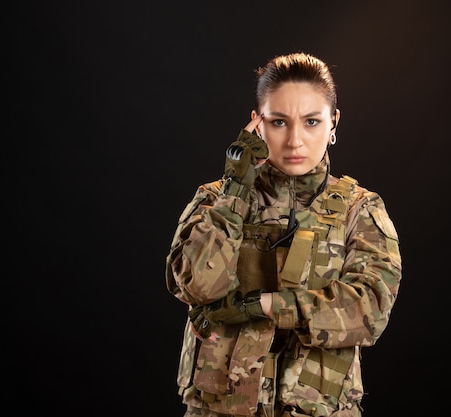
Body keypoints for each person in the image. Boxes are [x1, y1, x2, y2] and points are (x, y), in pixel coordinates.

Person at [165, 52, 402, 417]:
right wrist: (235, 189)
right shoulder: (216, 198)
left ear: (333, 123)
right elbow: (195, 285)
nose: (294, 141)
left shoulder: (360, 208)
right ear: (256, 124)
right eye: (278, 122)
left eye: (311, 121)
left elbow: (369, 310)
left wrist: (262, 305)